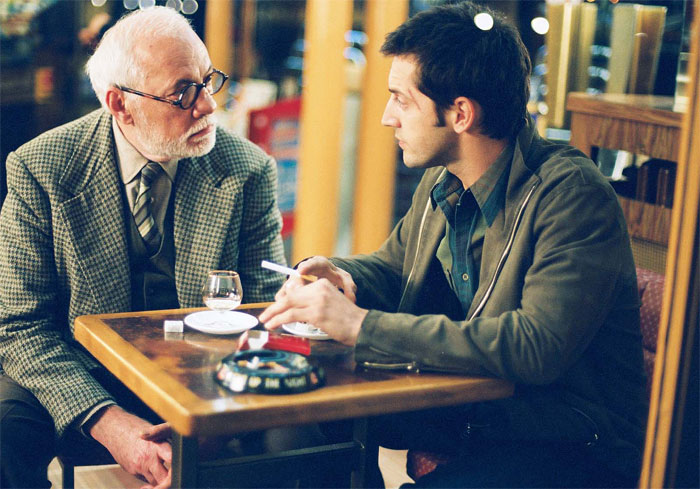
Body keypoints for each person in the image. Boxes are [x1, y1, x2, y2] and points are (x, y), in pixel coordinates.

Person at [259, 2, 648, 488]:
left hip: (564, 437)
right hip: (475, 407)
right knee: (296, 420)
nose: (387, 117)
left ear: (460, 113)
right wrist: (340, 274)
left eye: (402, 101)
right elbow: (394, 266)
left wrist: (360, 325)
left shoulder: (572, 195)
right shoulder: (445, 179)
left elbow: (535, 346)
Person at [0, 7, 286, 489]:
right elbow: (19, 326)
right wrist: (108, 422)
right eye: (183, 92)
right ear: (120, 104)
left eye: (208, 80)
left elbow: (264, 315)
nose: (208, 106)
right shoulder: (42, 168)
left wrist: (210, 417)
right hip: (82, 369)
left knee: (304, 436)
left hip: (203, 374)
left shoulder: (247, 169)